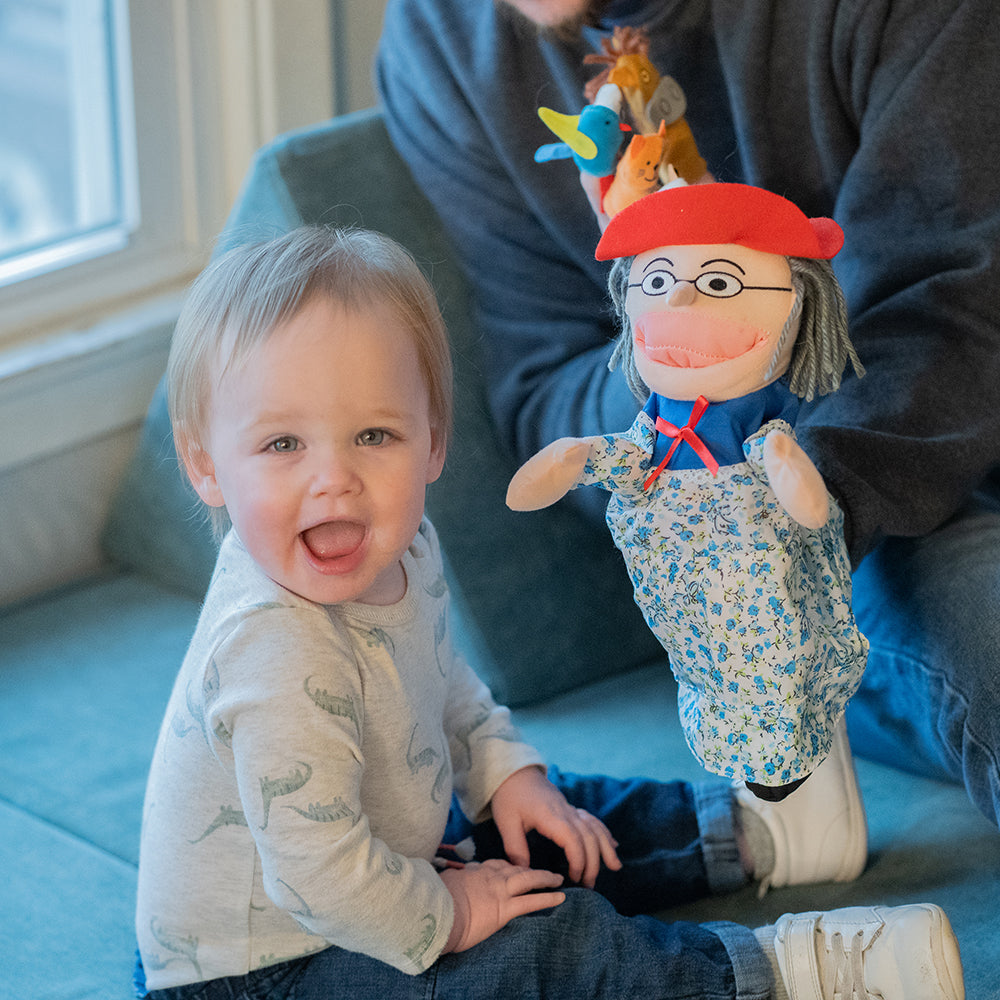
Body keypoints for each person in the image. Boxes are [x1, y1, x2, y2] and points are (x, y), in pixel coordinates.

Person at [133, 227, 962, 999]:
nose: (335, 479)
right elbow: (317, 875)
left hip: (389, 852)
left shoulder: (401, 544)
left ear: (432, 441)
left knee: (554, 813)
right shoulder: (272, 654)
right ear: (205, 466)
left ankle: (750, 835)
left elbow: (438, 681)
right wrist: (456, 912)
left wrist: (508, 776)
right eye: (283, 446)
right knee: (541, 943)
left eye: (374, 436)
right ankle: (769, 971)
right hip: (277, 965)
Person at [375, 0, 1000, 826]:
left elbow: (954, 311)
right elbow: (545, 383)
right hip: (831, 552)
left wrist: (788, 520)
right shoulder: (440, 40)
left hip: (881, 475)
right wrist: (676, 349)